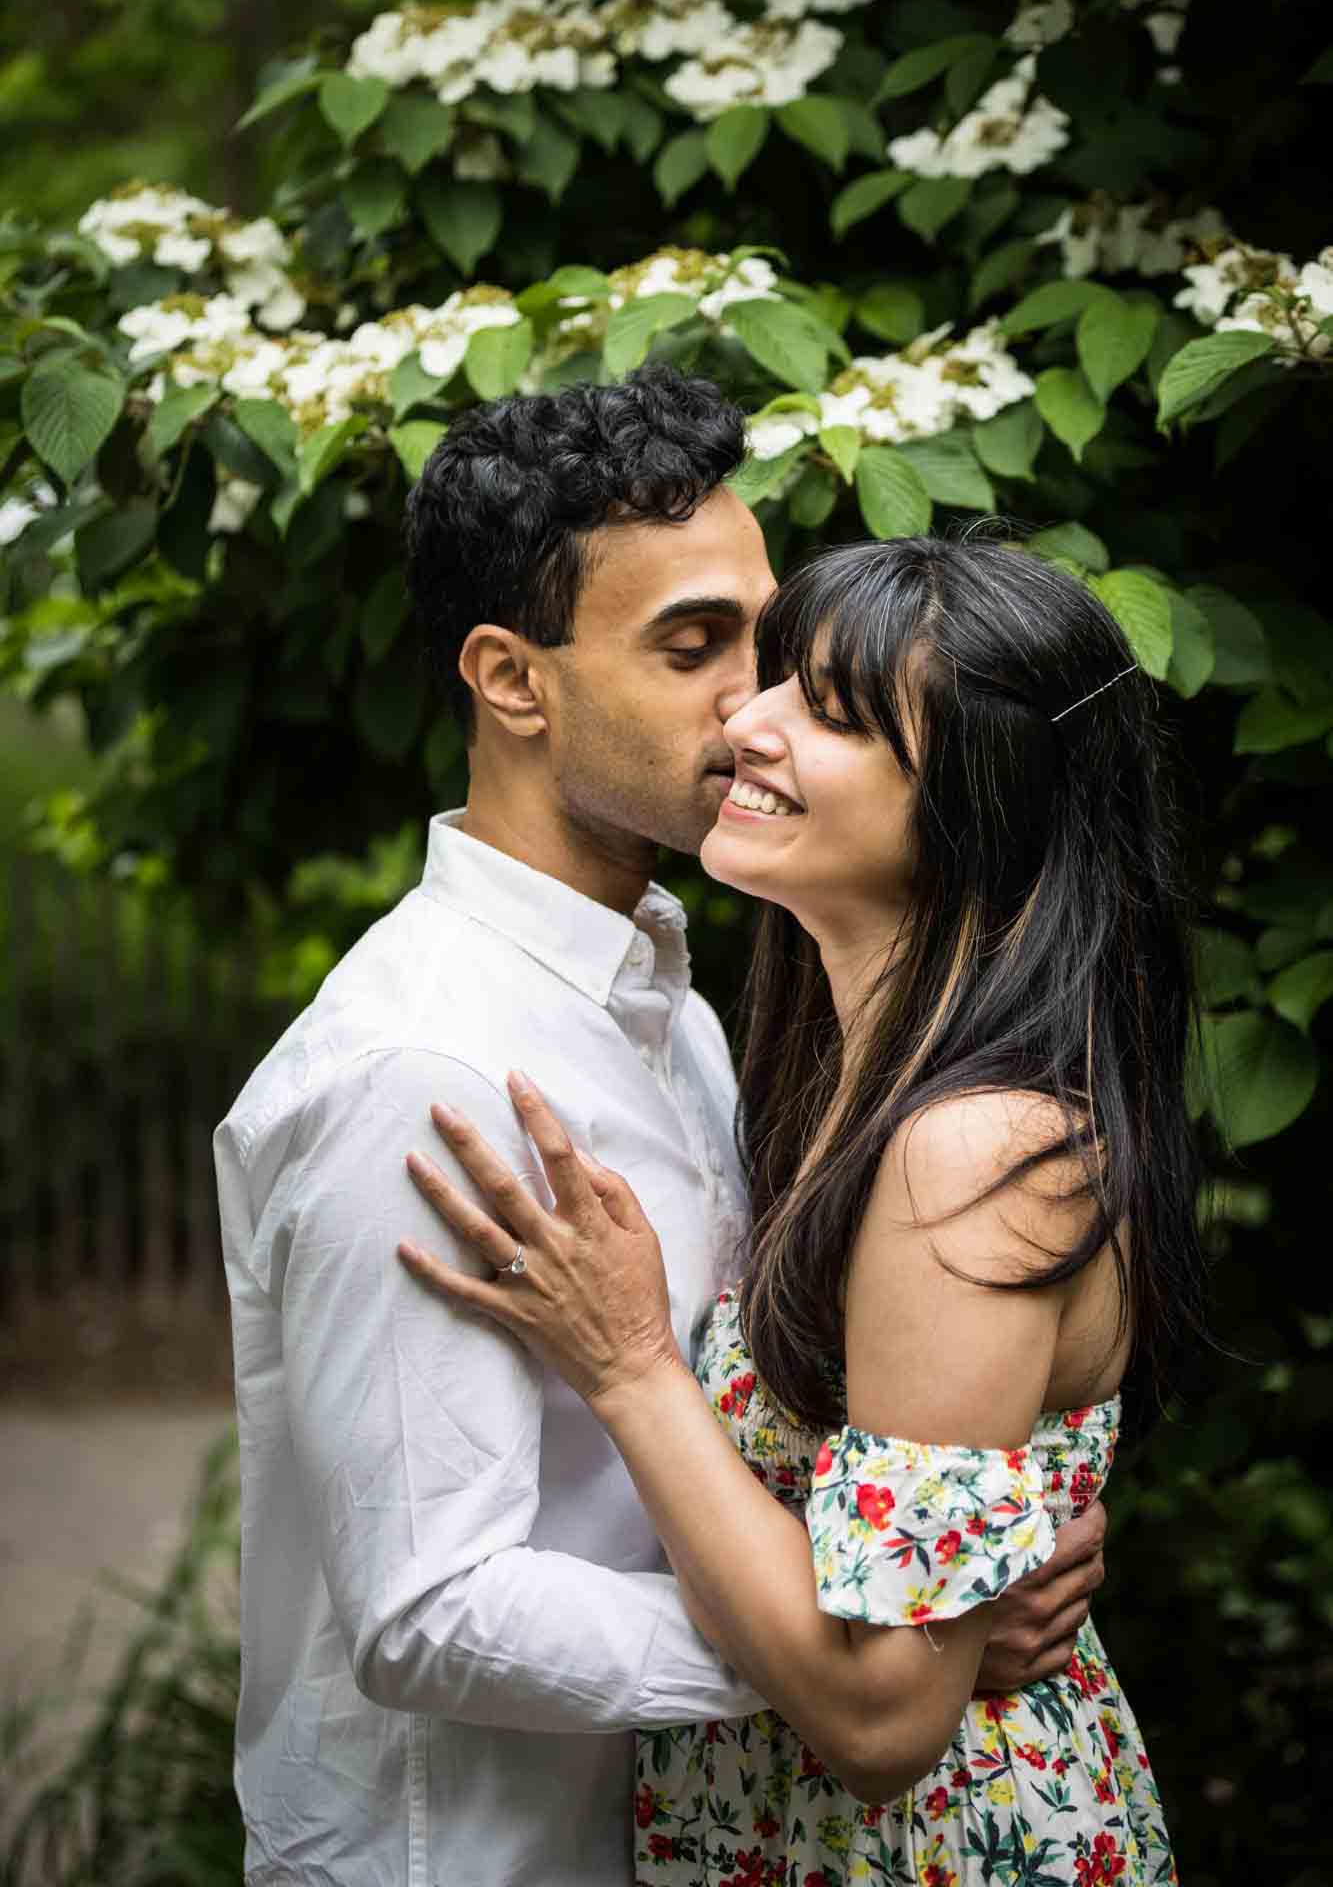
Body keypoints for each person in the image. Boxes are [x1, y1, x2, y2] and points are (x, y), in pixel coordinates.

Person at [215, 374, 1106, 1887]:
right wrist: (874, 1641)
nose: (755, 706)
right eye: (692, 647)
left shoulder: (681, 1007)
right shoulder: (421, 1069)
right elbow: (428, 1608)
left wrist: (940, 1570)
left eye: (767, 641)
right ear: (509, 679)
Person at [397, 532, 1204, 1885]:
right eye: (771, 680)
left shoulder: (973, 1153)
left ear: (976, 802)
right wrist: (964, 1585)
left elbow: (884, 1712)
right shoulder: (832, 1083)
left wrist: (631, 1366)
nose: (744, 722)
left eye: (825, 713)